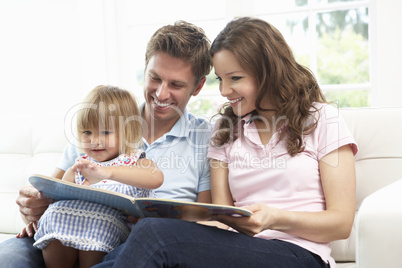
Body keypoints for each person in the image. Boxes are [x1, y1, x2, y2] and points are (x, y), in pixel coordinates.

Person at [96, 17, 358, 267]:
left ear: (266, 72)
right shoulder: (225, 129)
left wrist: (275, 218)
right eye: (220, 79)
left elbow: (342, 224)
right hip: (237, 249)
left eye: (235, 78)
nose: (223, 91)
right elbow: (221, 218)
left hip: (301, 255)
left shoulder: (322, 118)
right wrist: (170, 222)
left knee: (153, 236)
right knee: (139, 240)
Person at [0, 20, 212, 267]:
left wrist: (159, 229)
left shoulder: (204, 137)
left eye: (176, 84)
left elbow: (205, 222)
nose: (161, 94)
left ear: (198, 87)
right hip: (62, 236)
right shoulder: (102, 120)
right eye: (154, 78)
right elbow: (53, 192)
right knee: (8, 259)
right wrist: (33, 207)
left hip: (132, 247)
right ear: (145, 70)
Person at [17, 85, 164, 268]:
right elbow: (57, 198)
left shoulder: (135, 160)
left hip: (107, 226)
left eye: (105, 132)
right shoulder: (80, 164)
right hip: (68, 224)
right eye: (87, 132)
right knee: (55, 214)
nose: (95, 140)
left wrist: (108, 172)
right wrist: (37, 219)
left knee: (99, 222)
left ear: (128, 131)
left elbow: (156, 178)